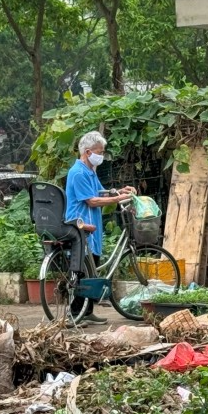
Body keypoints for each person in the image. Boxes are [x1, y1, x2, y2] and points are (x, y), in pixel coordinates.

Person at [64, 131, 136, 324]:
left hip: (91, 225)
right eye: (99, 152)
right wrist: (118, 198)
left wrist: (118, 191)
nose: (102, 156)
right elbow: (92, 200)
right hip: (80, 224)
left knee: (92, 266)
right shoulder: (78, 172)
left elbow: (99, 192)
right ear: (88, 152)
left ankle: (86, 312)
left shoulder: (90, 171)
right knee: (82, 270)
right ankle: (75, 312)